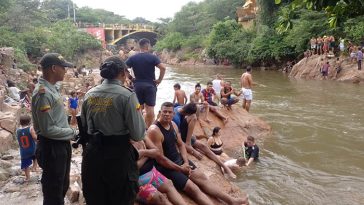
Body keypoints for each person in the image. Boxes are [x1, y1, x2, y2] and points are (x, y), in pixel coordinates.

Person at [148, 102, 248, 205]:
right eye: (165, 112)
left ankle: (231, 201)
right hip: (167, 167)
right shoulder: (154, 130)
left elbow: (181, 145)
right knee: (193, 188)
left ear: (174, 114)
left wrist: (186, 162)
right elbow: (160, 159)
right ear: (160, 112)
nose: (167, 114)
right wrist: (181, 169)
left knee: (202, 178)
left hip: (179, 161)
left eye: (170, 112)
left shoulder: (173, 124)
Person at [80, 56, 146, 205]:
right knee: (121, 197)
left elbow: (84, 126)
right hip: (118, 157)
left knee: (96, 196)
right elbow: (138, 134)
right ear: (123, 72)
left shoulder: (89, 94)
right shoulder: (127, 96)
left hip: (93, 155)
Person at [32, 53, 77, 205]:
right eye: (63, 67)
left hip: (59, 145)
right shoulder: (43, 93)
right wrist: (73, 132)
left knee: (61, 186)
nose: (66, 71)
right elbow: (48, 129)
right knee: (53, 191)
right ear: (53, 68)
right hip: (52, 147)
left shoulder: (52, 89)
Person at [173, 103, 236, 179]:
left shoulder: (180, 107)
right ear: (187, 113)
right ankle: (189, 143)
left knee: (204, 147)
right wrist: (193, 151)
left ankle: (225, 167)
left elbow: (197, 105)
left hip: (185, 134)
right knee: (194, 117)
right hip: (182, 138)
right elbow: (177, 139)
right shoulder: (175, 119)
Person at [133, 138, 187, 205]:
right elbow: (132, 168)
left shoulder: (142, 135)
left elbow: (157, 152)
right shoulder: (122, 143)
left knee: (169, 185)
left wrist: (143, 153)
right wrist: (149, 154)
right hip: (135, 181)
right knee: (160, 198)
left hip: (152, 173)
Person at [126, 38, 166, 128]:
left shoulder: (133, 58)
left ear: (139, 46)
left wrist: (131, 78)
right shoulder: (152, 57)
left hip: (137, 86)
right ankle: (148, 128)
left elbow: (124, 69)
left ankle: (138, 126)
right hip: (150, 86)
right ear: (147, 46)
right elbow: (163, 68)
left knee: (138, 106)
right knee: (150, 108)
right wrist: (159, 80)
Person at [16, 115, 38, 181]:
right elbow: (34, 137)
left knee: (26, 166)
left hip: (24, 151)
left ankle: (27, 177)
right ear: (29, 122)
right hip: (32, 149)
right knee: (35, 157)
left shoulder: (18, 130)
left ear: (20, 122)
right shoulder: (30, 128)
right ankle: (34, 167)